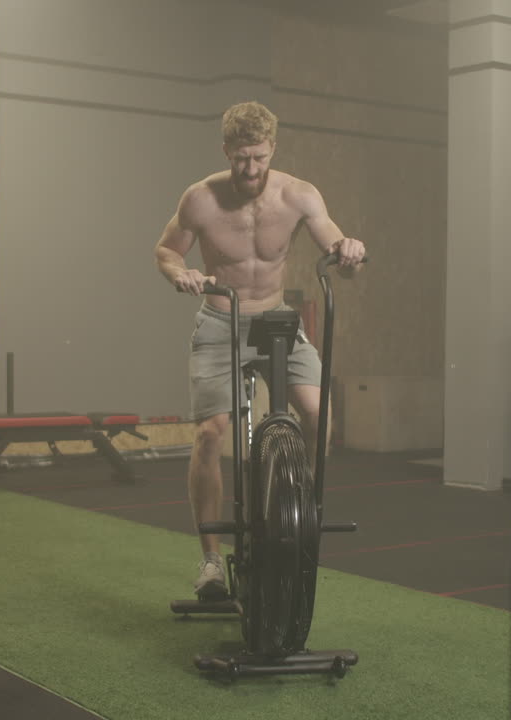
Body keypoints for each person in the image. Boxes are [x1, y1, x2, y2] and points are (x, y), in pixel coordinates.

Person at [154, 101, 366, 599]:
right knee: (211, 433)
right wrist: (178, 272)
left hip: (276, 321)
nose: (250, 169)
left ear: (272, 149)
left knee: (318, 415)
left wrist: (350, 252)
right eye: (241, 158)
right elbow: (166, 250)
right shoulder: (200, 199)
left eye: (259, 158)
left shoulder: (299, 195)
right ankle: (209, 561)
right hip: (219, 319)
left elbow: (336, 247)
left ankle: (301, 508)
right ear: (226, 150)